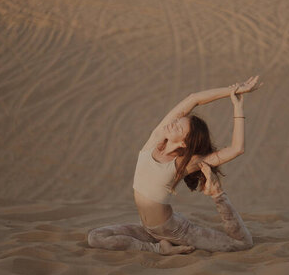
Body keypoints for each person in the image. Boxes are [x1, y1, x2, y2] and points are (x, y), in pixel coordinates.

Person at [87, 76, 263, 255]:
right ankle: (158, 247)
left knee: (242, 244)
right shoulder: (155, 140)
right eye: (177, 121)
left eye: (178, 128)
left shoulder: (184, 164)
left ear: (183, 144)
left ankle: (217, 197)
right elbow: (193, 99)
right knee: (96, 237)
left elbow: (236, 148)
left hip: (175, 231)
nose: (172, 124)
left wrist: (237, 105)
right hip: (149, 230)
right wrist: (233, 90)